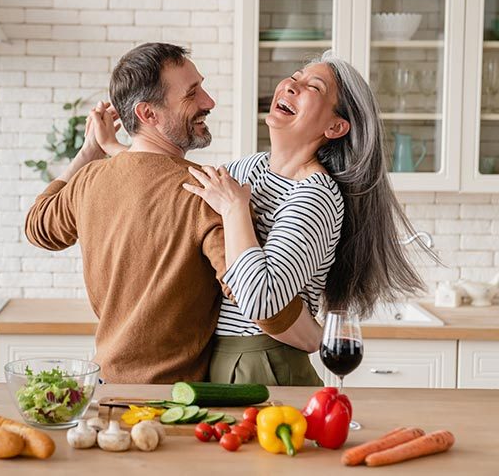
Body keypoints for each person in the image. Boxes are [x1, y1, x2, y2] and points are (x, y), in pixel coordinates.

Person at [94, 50, 430, 386]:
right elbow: (177, 182)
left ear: (335, 126)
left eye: (312, 87)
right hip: (217, 359)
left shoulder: (315, 196)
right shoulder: (248, 168)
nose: (290, 86)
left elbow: (261, 300)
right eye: (294, 77)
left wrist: (236, 210)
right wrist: (113, 147)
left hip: (265, 362)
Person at [24, 43, 301, 384]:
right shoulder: (203, 191)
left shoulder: (89, 181)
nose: (209, 102)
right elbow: (260, 301)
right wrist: (318, 336)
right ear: (148, 114)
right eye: (192, 94)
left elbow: (38, 226)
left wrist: (88, 152)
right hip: (173, 403)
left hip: (105, 390)